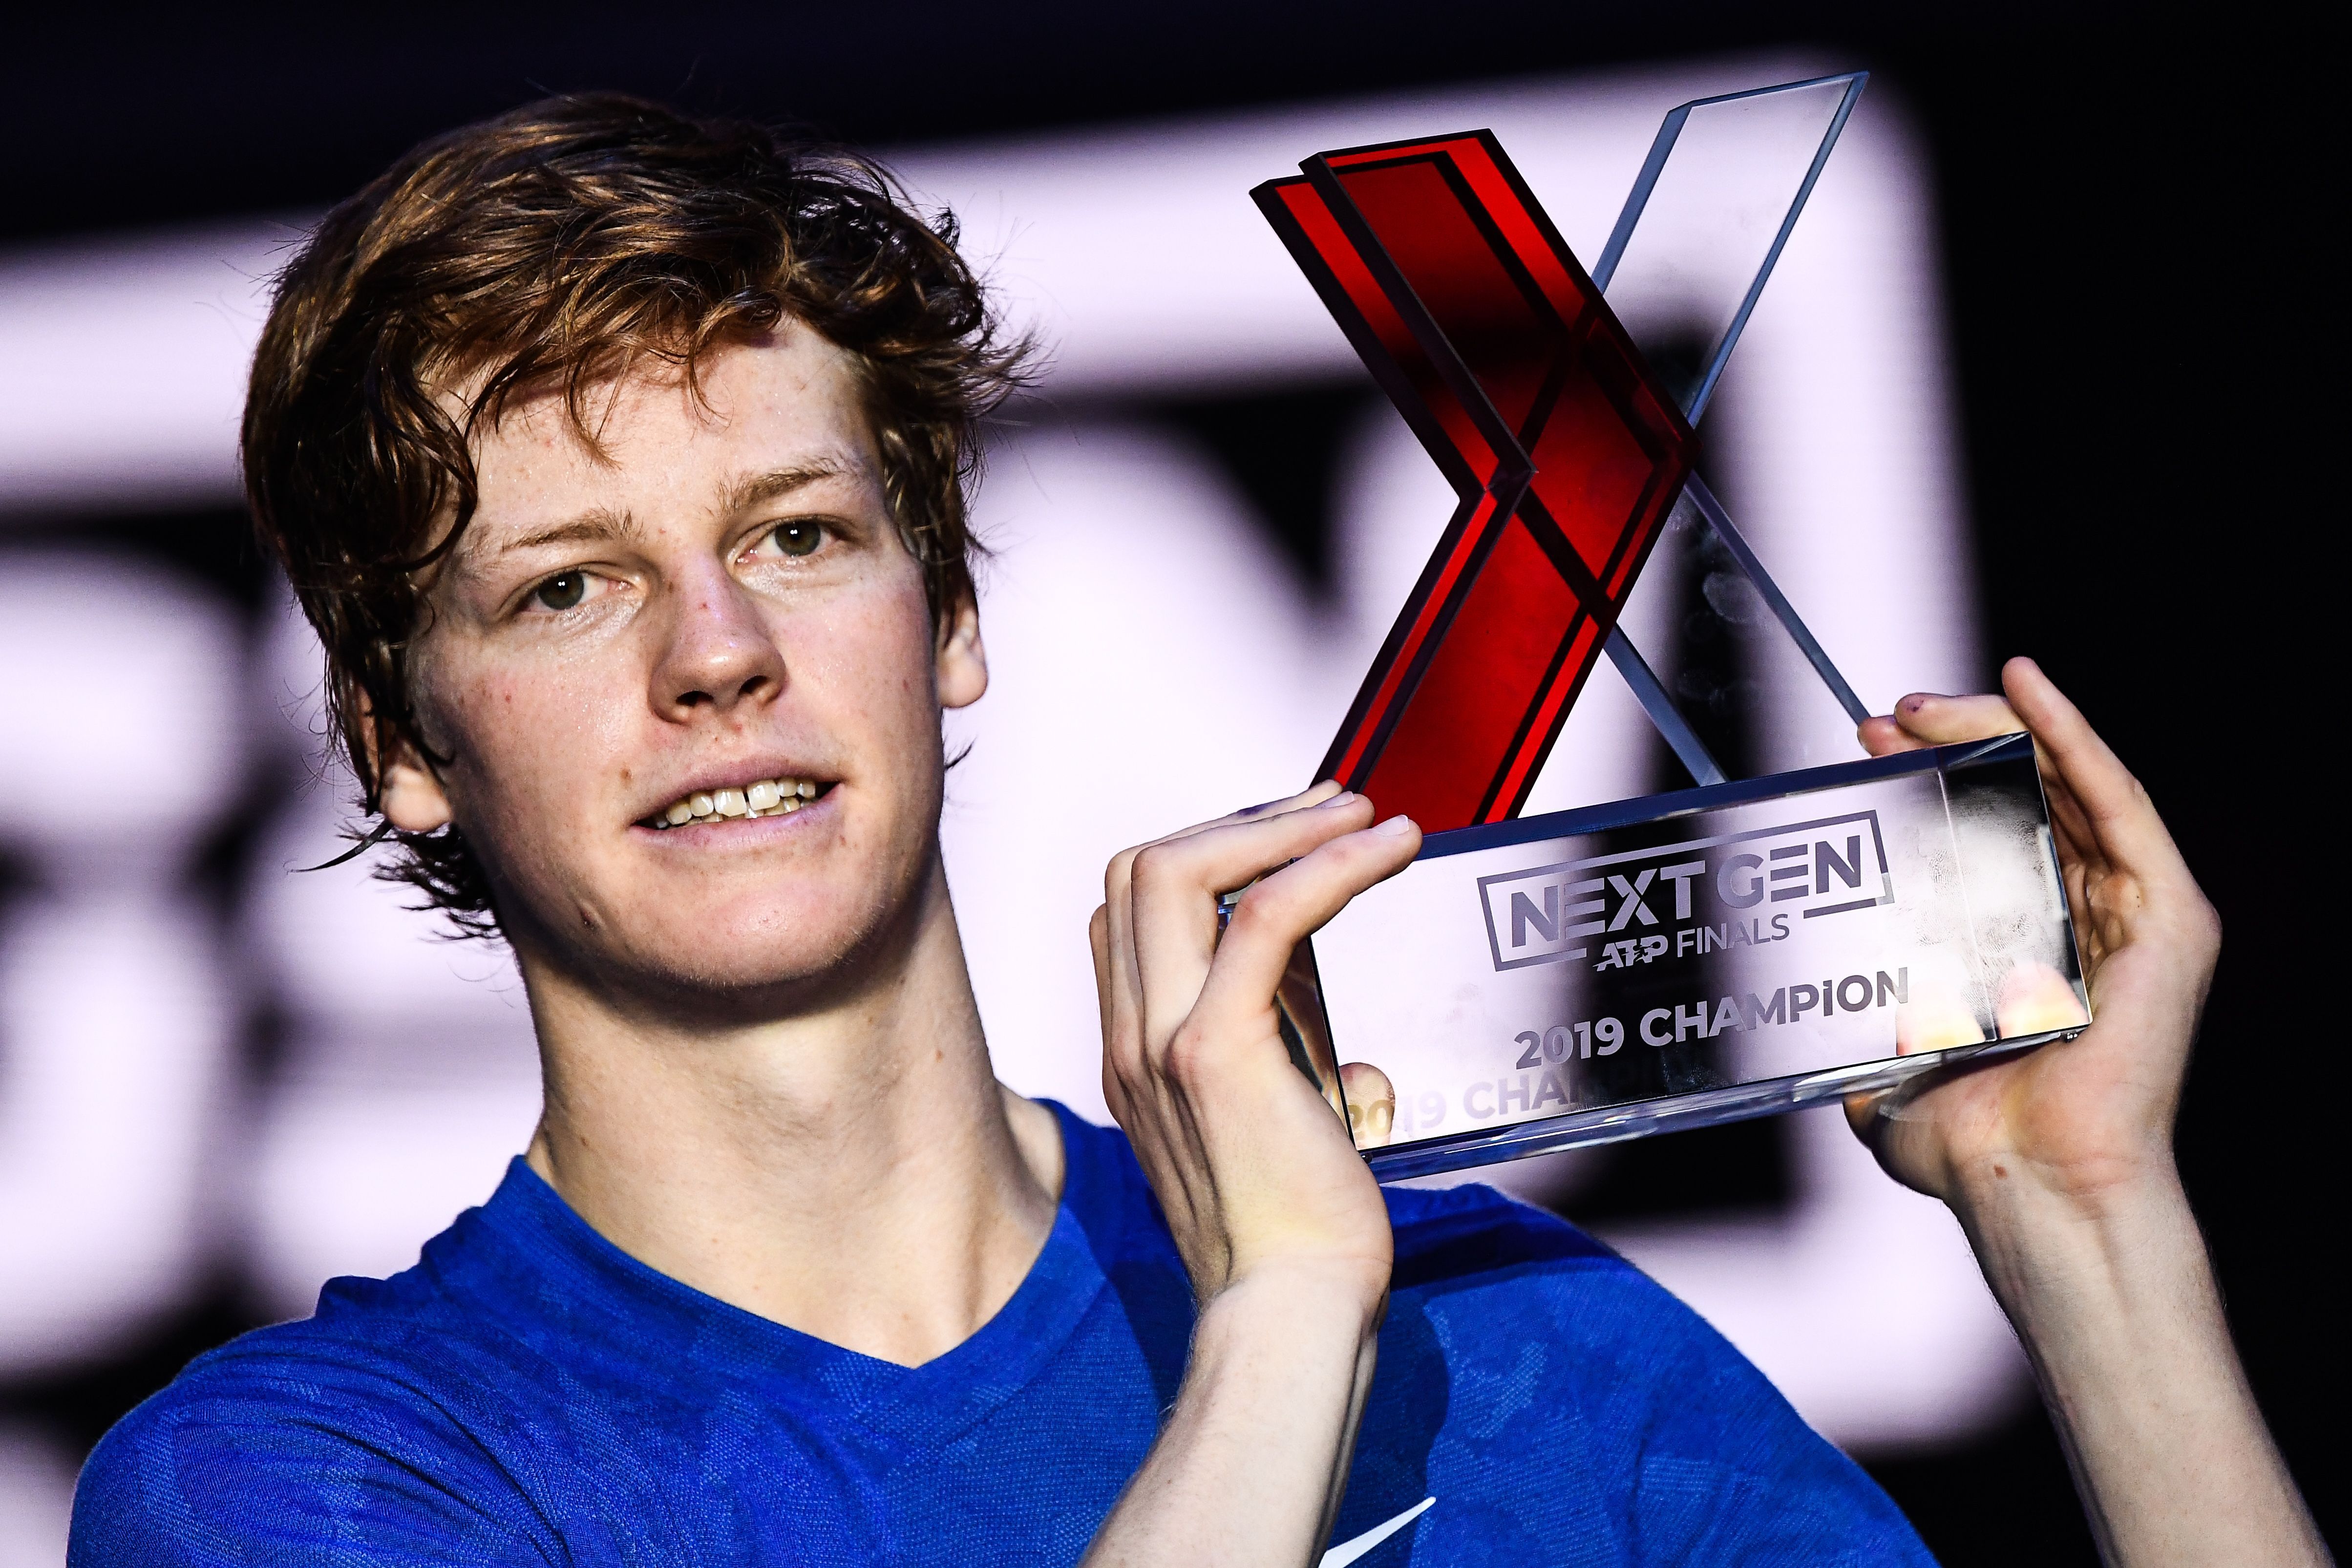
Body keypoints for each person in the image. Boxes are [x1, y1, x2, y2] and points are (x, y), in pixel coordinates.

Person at [70, 94, 2322, 1567]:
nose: (718, 653)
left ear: (952, 615)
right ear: (400, 741)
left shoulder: (1506, 1332)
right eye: (567, 586)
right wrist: (1276, 1328)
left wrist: (2085, 1224)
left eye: (798, 534)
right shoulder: (322, 1480)